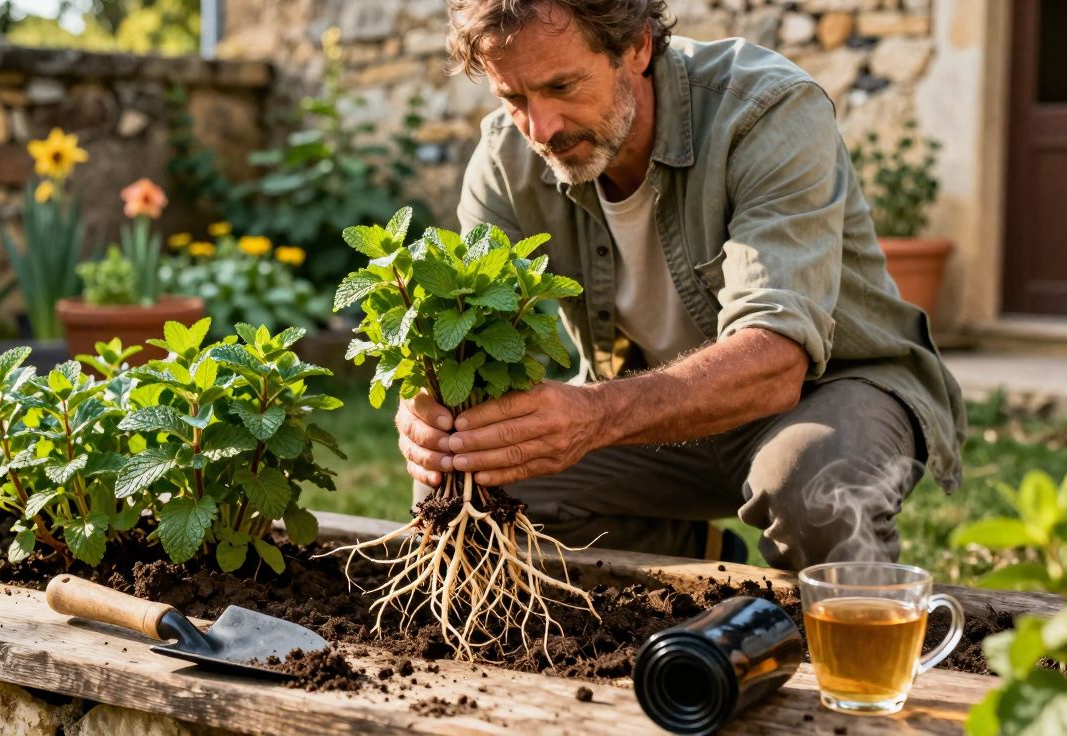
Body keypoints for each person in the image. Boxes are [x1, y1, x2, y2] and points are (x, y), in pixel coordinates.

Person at [394, 0, 966, 571]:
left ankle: (858, 643)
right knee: (467, 484)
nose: (541, 128)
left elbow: (776, 357)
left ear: (637, 47)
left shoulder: (764, 110)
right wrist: (435, 415)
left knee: (811, 486)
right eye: (514, 99)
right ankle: (703, 567)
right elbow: (475, 341)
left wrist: (594, 414)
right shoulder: (505, 158)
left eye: (563, 86)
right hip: (653, 416)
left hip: (828, 390)